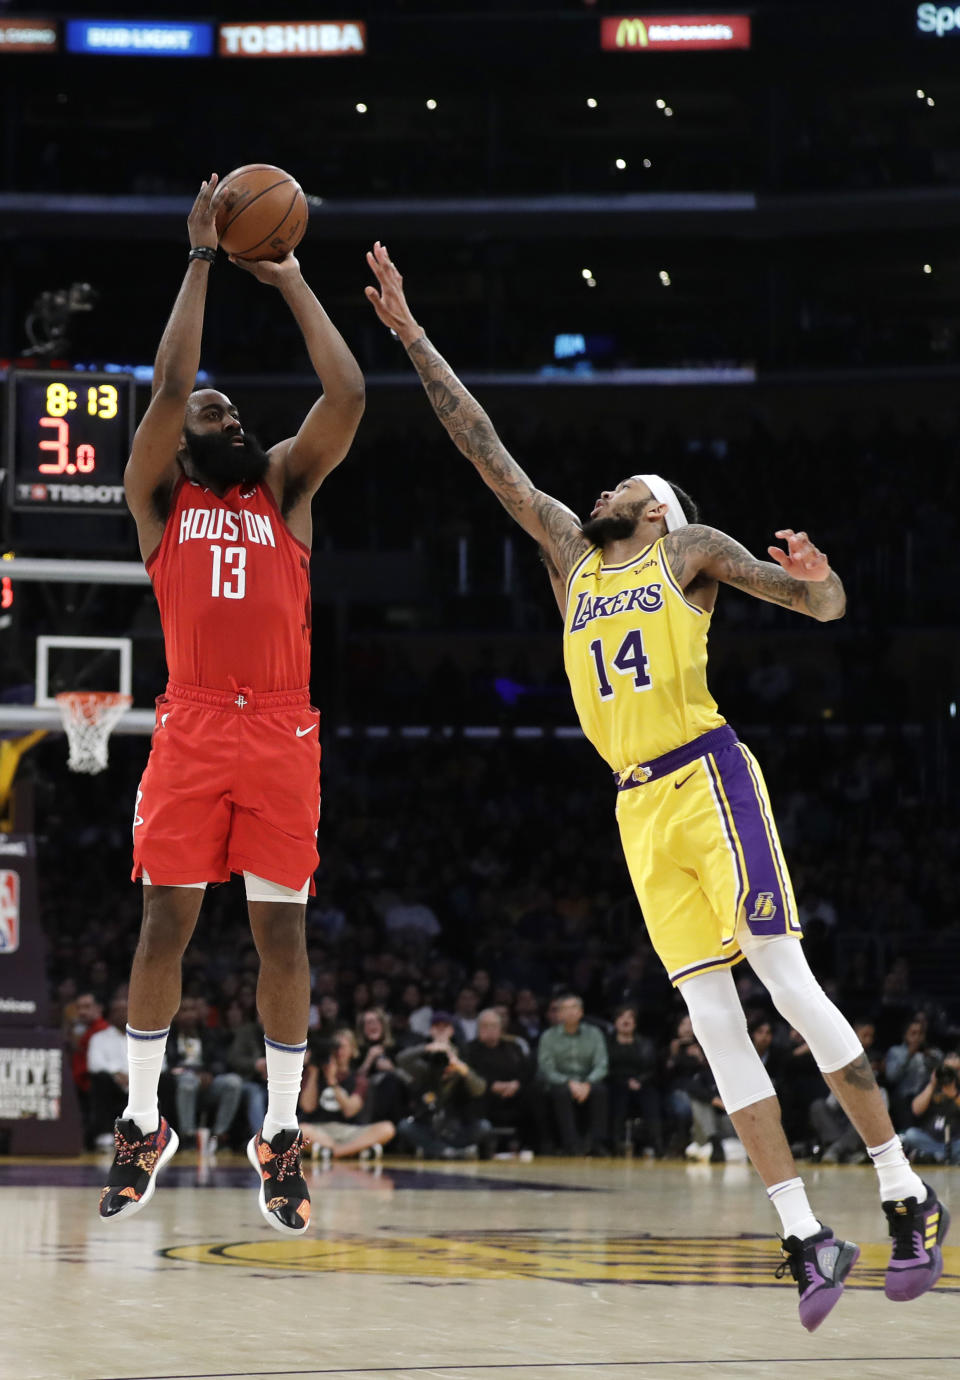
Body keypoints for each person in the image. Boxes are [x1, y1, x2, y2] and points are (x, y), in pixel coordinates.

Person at [364, 241, 949, 1328]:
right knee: (714, 1024)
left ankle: (908, 1198)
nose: (604, 485)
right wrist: (409, 333)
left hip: (710, 777)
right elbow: (483, 446)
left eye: (627, 484)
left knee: (785, 980)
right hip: (636, 805)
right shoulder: (568, 555)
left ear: (661, 513)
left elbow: (817, 612)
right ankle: (803, 1233)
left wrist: (821, 587)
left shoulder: (687, 557)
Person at [97, 174, 364, 1236]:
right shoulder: (158, 500)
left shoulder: (284, 491)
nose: (225, 410)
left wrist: (293, 279)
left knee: (282, 940)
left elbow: (344, 398)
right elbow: (168, 387)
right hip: (195, 721)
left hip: (284, 730)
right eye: (216, 410)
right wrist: (202, 259)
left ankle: (282, 1133)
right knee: (165, 920)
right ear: (185, 439)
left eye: (232, 407)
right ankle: (141, 1121)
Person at [299, 1038, 396, 1165]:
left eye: (343, 1047)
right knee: (299, 1130)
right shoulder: (313, 1074)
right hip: (319, 1130)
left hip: (350, 1131)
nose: (339, 1052)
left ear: (353, 1051)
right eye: (335, 1049)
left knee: (387, 1128)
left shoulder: (358, 1079)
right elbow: (307, 1107)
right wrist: (313, 1072)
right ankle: (355, 1151)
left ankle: (331, 1152)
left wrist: (332, 1082)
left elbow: (350, 1111)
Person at [536, 994, 609, 1155]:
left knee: (600, 1090)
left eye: (574, 1008)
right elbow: (547, 1068)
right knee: (561, 1092)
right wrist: (569, 1083)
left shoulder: (595, 1034)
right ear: (559, 1014)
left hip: (587, 1081)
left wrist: (588, 1083)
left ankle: (596, 1143)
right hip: (561, 1082)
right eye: (565, 1009)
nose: (570, 1012)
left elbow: (601, 1064)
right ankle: (571, 1144)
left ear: (581, 1012)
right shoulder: (548, 1036)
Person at [606, 1005, 662, 1156]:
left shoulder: (645, 1043)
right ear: (615, 1022)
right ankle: (615, 1144)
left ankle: (657, 1145)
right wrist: (624, 1082)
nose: (626, 1020)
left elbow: (652, 1068)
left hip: (641, 1083)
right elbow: (605, 1068)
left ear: (635, 1023)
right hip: (615, 1082)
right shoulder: (607, 1043)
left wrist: (639, 1081)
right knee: (618, 1097)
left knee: (651, 1098)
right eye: (621, 1017)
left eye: (630, 1017)